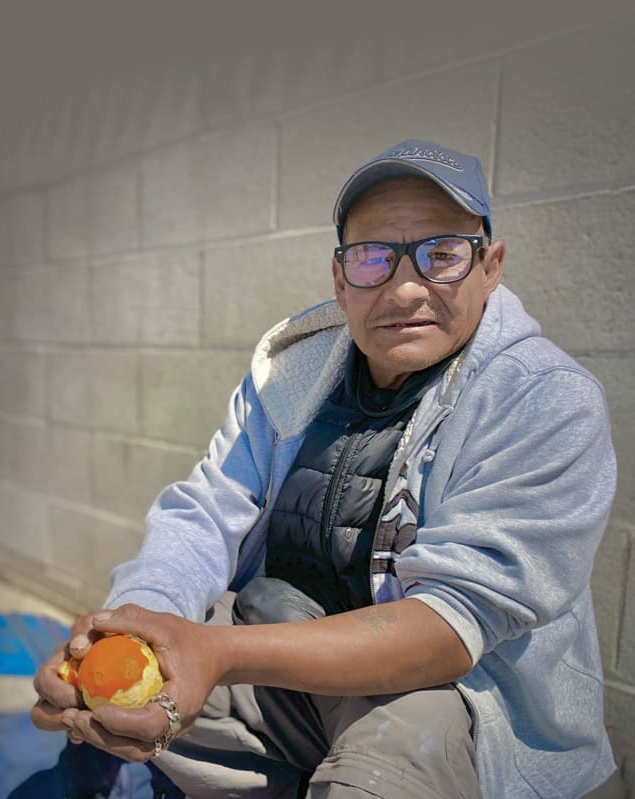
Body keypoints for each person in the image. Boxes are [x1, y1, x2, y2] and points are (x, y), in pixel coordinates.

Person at [31, 139, 618, 798]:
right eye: (372, 257)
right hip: (285, 665)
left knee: (394, 750)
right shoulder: (290, 374)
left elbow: (451, 626)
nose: (403, 287)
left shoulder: (543, 398)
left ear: (491, 267)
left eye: (441, 254)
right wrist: (130, 633)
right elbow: (201, 515)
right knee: (115, 727)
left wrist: (217, 653)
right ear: (340, 278)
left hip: (449, 700)